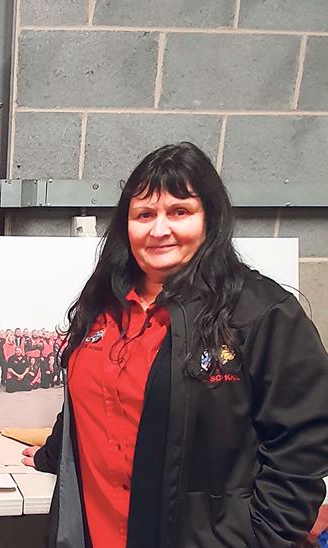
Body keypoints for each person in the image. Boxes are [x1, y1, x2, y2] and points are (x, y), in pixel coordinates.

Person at [21, 142, 328, 547]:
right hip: (98, 534)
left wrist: (261, 537)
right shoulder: (105, 302)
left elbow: (301, 444)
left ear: (210, 218)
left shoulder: (261, 313)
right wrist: (54, 452)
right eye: (144, 214)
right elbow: (89, 395)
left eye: (179, 212)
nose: (159, 229)